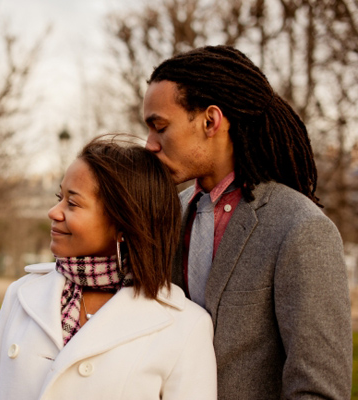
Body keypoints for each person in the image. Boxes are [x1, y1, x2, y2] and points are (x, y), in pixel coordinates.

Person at [143, 45, 352, 399]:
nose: (149, 143)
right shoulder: (166, 217)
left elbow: (319, 390)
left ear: (211, 121)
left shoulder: (300, 229)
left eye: (159, 127)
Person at [0, 135, 217, 399]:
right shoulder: (21, 295)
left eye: (72, 203)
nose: (54, 212)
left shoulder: (185, 326)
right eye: (60, 197)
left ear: (124, 224)